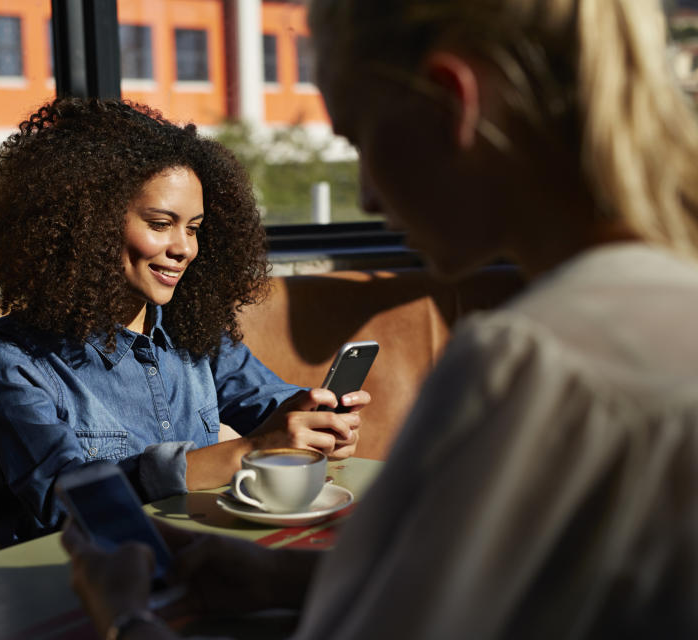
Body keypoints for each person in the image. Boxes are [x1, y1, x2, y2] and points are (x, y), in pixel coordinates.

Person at [61, 0, 698, 638]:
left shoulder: (526, 363)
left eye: (360, 139)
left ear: (454, 106)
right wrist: (283, 578)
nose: (366, 193)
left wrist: (125, 616)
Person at [0, 98, 368, 545]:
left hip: (192, 560)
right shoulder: (13, 357)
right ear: (88, 227)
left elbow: (267, 401)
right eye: (161, 224)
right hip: (75, 579)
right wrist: (249, 451)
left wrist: (312, 420)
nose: (185, 249)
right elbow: (61, 501)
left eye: (194, 228)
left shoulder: (190, 332)